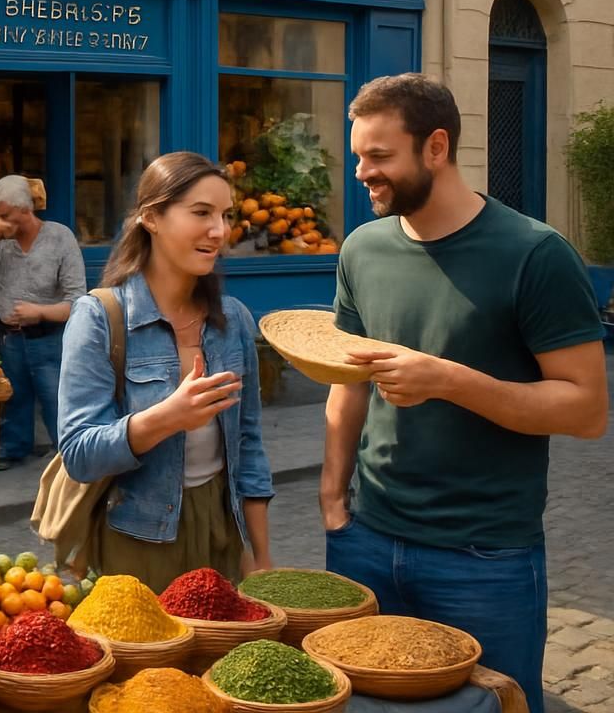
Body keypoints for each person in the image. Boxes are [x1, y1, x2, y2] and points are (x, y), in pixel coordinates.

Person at [321, 74, 607, 713]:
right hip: (366, 539)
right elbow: (349, 381)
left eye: (379, 156)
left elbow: (586, 410)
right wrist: (333, 501)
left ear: (436, 147)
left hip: (485, 557)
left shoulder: (535, 254)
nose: (362, 171)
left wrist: (447, 380)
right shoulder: (362, 249)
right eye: (359, 154)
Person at [57, 152, 272, 593]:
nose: (219, 231)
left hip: (221, 534)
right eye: (201, 213)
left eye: (225, 215)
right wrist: (169, 416)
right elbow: (79, 453)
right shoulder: (99, 316)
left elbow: (249, 446)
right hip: (136, 540)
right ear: (151, 218)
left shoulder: (232, 320)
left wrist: (261, 557)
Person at [0, 174, 87, 468]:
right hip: (11, 340)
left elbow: (78, 301)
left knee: (58, 402)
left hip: (51, 338)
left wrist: (40, 311)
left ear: (25, 210)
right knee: (15, 401)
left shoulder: (60, 237)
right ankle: (13, 450)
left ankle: (70, 459)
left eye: (5, 216)